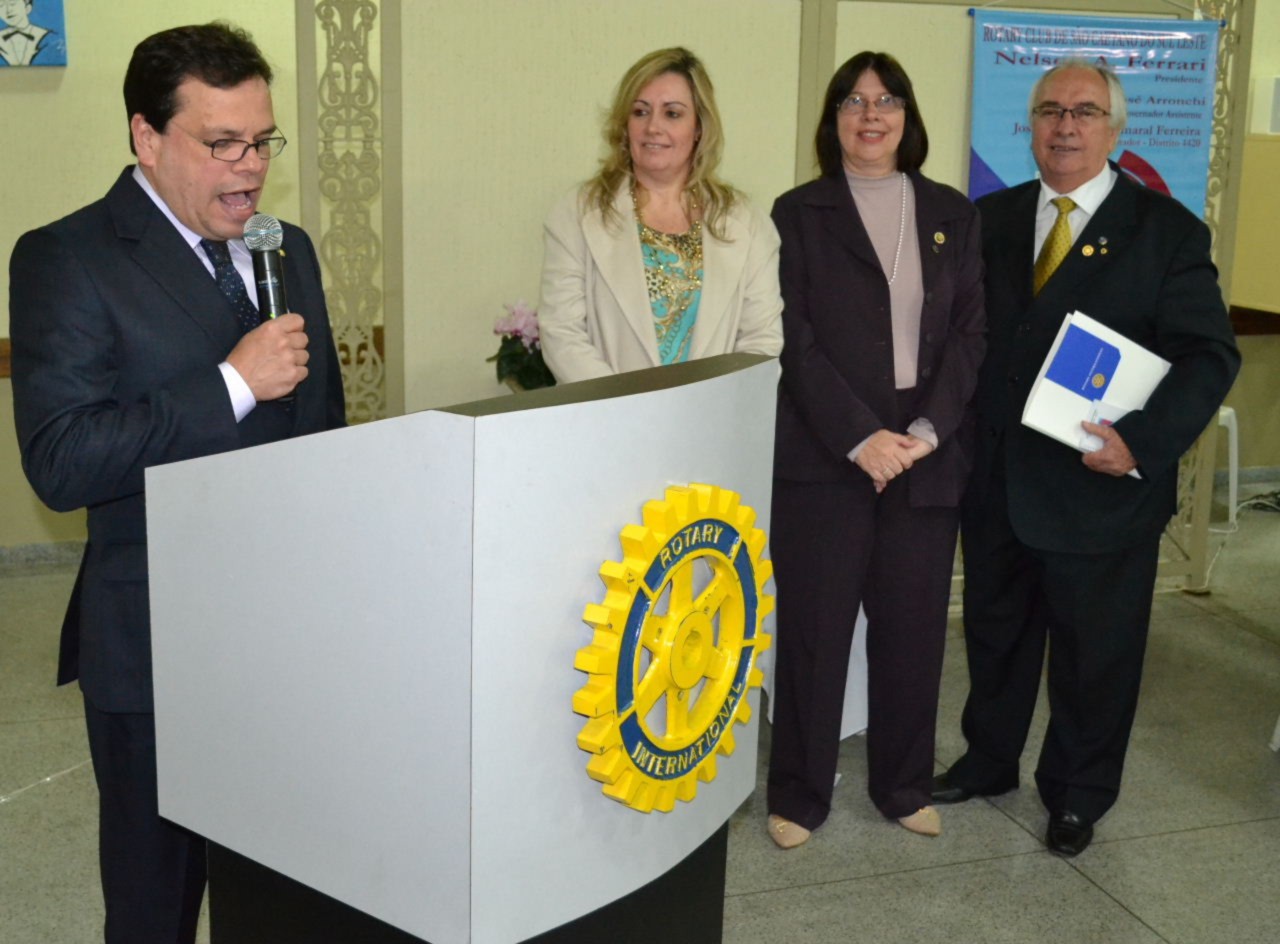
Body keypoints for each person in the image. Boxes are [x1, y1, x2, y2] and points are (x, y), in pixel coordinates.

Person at [9, 22, 346, 941]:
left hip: (291, 639)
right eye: (222, 144)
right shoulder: (68, 257)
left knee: (288, 889)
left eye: (263, 141)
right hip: (156, 646)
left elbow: (323, 429)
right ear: (146, 137)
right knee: (156, 906)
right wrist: (232, 383)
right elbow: (62, 459)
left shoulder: (288, 248)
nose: (251, 169)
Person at [931, 60, 1240, 857]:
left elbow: (1208, 355)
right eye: (1050, 111)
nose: (1065, 127)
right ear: (1030, 125)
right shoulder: (990, 218)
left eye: (1085, 112)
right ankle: (989, 759)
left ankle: (1077, 793)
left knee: (1094, 658)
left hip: (1101, 489)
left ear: (1114, 128)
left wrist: (1142, 440)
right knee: (996, 636)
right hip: (1000, 483)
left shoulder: (1166, 231)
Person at [764, 51, 985, 848]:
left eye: (887, 99)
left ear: (907, 116)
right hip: (827, 450)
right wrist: (860, 436)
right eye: (853, 101)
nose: (871, 114)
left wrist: (923, 434)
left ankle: (902, 787)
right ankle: (798, 795)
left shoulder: (952, 213)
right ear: (832, 119)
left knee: (913, 630)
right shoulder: (797, 214)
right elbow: (792, 338)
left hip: (925, 451)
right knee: (815, 631)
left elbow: (970, 335)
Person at [538, 46, 782, 382]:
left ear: (699, 127)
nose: (653, 127)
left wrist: (710, 404)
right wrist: (627, 406)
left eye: (672, 114)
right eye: (640, 112)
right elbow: (562, 334)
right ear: (625, 125)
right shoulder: (576, 213)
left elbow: (761, 342)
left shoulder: (747, 222)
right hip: (607, 409)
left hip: (713, 411)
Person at [0, 0, 64, 66]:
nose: (7, 10)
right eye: (1, 6)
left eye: (13, 4)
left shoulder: (49, 38)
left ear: (28, 8)